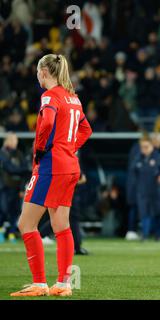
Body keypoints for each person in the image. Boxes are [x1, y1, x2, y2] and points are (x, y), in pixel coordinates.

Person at [10, 54, 92, 297]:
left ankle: (39, 283)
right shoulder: (74, 98)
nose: (37, 76)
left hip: (51, 166)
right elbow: (86, 129)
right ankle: (63, 284)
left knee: (26, 224)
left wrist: (40, 149)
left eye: (38, 71)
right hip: (70, 166)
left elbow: (46, 122)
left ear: (44, 72)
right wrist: (69, 146)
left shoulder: (50, 96)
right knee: (61, 225)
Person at [130, 133, 160, 240]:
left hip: (156, 190)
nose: (144, 149)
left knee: (158, 212)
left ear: (152, 146)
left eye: (146, 147)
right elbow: (133, 173)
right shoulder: (138, 159)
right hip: (142, 191)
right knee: (144, 213)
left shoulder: (158, 157)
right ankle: (145, 235)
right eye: (142, 147)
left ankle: (158, 235)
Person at [0, 132, 29, 242]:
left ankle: (12, 232)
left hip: (16, 187)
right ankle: (1, 231)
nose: (14, 142)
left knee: (15, 211)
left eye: (15, 140)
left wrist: (22, 188)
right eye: (12, 140)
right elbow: (10, 169)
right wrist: (23, 171)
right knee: (3, 210)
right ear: (7, 140)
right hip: (4, 187)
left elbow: (24, 170)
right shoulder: (2, 153)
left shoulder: (19, 154)